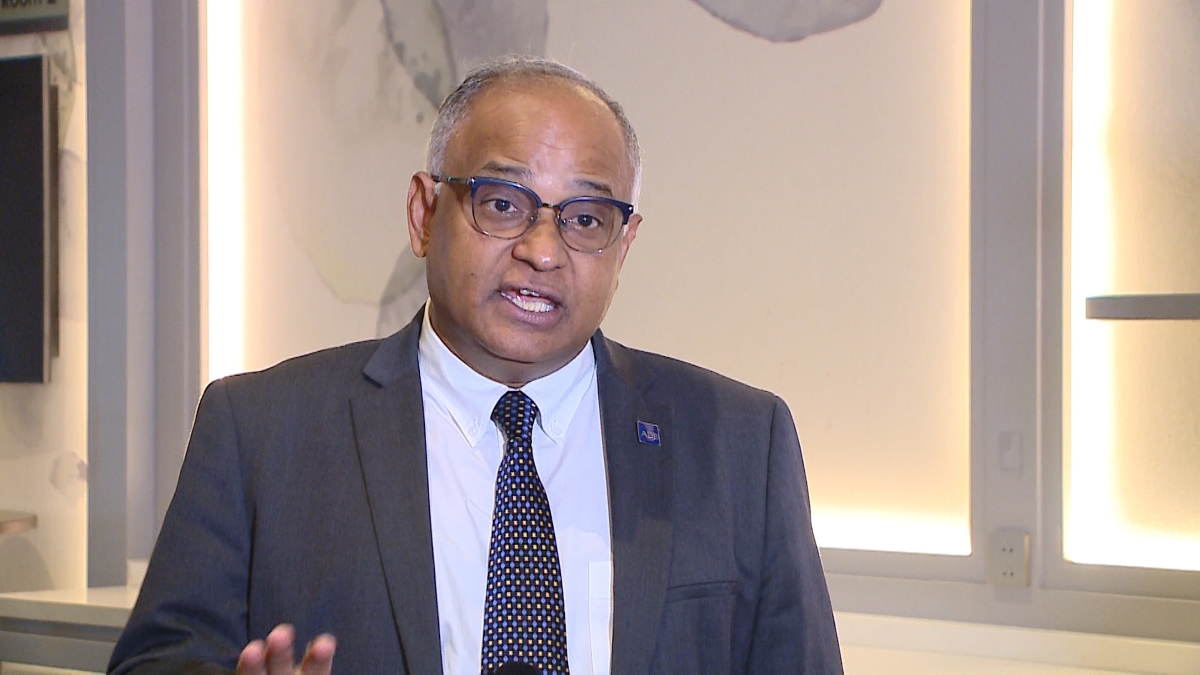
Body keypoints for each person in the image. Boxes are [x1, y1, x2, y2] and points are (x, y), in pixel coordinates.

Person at [108, 57, 842, 675]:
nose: (543, 251)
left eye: (586, 219)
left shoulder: (742, 443)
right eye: (502, 203)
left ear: (624, 247)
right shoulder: (260, 429)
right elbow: (159, 661)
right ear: (424, 214)